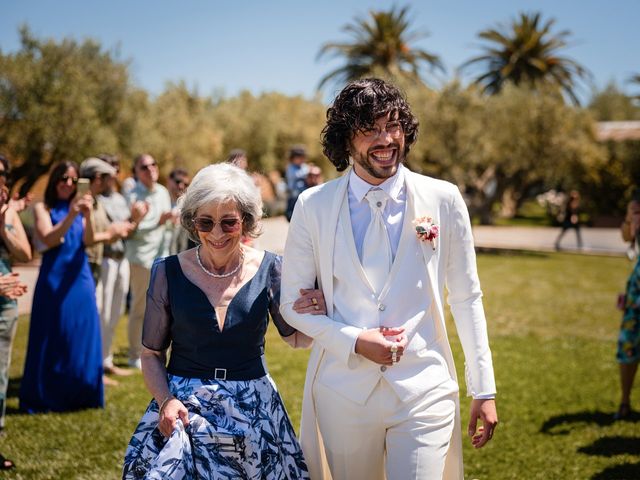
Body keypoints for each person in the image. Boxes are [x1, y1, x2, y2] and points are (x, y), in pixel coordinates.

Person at [280, 78, 498, 480]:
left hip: (424, 388)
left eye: (394, 125)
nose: (386, 139)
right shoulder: (313, 205)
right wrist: (356, 340)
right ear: (347, 140)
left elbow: (467, 297)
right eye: (371, 129)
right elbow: (290, 305)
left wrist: (483, 387)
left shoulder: (444, 199)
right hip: (343, 394)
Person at [122, 163, 325, 479]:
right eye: (206, 222)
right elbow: (150, 354)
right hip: (185, 411)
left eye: (229, 223)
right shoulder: (167, 272)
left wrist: (315, 310)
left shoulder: (271, 268)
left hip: (254, 411)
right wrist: (165, 401)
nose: (216, 234)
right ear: (192, 221)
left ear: (246, 222)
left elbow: (297, 339)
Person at [20, 161, 104, 412]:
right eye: (62, 179)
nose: (67, 184)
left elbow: (88, 240)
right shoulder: (42, 208)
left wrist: (86, 216)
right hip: (53, 279)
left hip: (80, 277)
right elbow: (48, 238)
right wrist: (71, 214)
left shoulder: (80, 208)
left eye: (72, 179)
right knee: (52, 334)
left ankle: (82, 394)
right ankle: (47, 395)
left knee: (80, 334)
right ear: (54, 180)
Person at [80, 157, 136, 383]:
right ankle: (95, 366)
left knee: (114, 313)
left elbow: (125, 229)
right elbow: (98, 233)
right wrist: (115, 231)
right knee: (100, 314)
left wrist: (134, 221)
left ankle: (105, 361)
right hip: (100, 260)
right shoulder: (91, 200)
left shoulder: (115, 199)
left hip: (119, 257)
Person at [125, 154, 173, 369]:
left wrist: (171, 220)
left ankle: (158, 351)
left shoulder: (163, 191)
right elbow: (130, 229)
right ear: (136, 171)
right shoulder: (132, 194)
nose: (150, 168)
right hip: (141, 258)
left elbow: (165, 225)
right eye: (144, 166)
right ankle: (134, 354)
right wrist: (158, 222)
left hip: (162, 257)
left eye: (154, 164)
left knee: (164, 308)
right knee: (139, 308)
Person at [0, 155, 31, 471]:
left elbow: (25, 252)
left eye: (3, 176)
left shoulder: (6, 214)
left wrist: (4, 225)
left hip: (5, 306)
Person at [615, 190, 640, 420]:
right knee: (628, 347)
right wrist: (630, 217)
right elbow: (626, 237)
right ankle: (624, 401)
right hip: (636, 292)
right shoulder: (633, 222)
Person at [166, 167, 192, 254]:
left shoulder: (187, 208)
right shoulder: (159, 199)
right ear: (169, 180)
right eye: (178, 182)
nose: (181, 186)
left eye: (186, 184)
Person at [285, 146, 309, 222]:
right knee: (293, 210)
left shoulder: (304, 166)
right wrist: (308, 172)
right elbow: (296, 175)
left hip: (304, 192)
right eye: (300, 158)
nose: (302, 160)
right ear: (293, 158)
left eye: (303, 158)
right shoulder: (290, 167)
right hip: (294, 193)